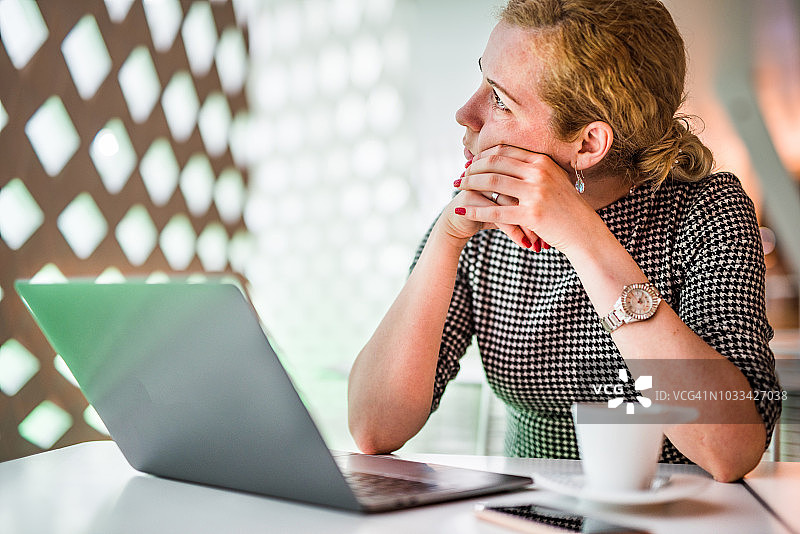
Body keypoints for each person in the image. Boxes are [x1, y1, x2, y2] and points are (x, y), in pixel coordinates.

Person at [347, 0, 782, 482]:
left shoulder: (706, 211)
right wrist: (447, 237)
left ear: (589, 144)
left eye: (499, 99)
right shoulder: (486, 223)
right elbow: (373, 429)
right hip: (519, 515)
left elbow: (731, 449)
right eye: (482, 81)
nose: (465, 114)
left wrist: (580, 236)